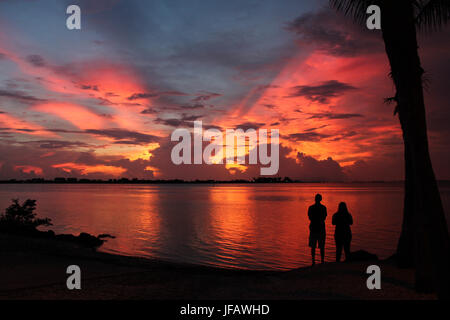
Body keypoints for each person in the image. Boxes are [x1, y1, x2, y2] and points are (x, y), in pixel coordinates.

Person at [308, 194, 327, 265]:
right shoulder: (323, 208)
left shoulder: (311, 207)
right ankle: (322, 261)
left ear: (315, 199)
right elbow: (324, 217)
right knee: (322, 246)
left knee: (313, 246)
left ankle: (313, 261)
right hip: (321, 228)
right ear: (321, 199)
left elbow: (309, 217)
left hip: (313, 228)